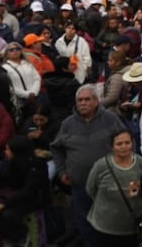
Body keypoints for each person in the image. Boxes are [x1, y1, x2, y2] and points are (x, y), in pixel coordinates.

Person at [52, 83, 126, 247]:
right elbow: (55, 148)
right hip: (80, 185)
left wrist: (122, 167)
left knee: (110, 223)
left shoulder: (110, 119)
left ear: (96, 101)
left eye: (87, 99)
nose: (83, 103)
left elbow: (125, 143)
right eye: (80, 100)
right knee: (84, 223)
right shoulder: (68, 124)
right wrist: (62, 171)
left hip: (108, 184)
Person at [85, 129, 142, 246]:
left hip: (131, 228)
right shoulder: (101, 166)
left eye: (127, 143)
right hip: (104, 227)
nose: (124, 147)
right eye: (119, 144)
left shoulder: (141, 163)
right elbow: (90, 189)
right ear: (112, 147)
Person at [0, 135, 51, 244]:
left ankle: (20, 237)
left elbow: (29, 191)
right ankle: (5, 239)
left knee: (7, 214)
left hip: (35, 197)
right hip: (16, 194)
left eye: (8, 149)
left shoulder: (37, 166)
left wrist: (4, 204)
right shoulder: (12, 163)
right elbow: (3, 183)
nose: (5, 152)